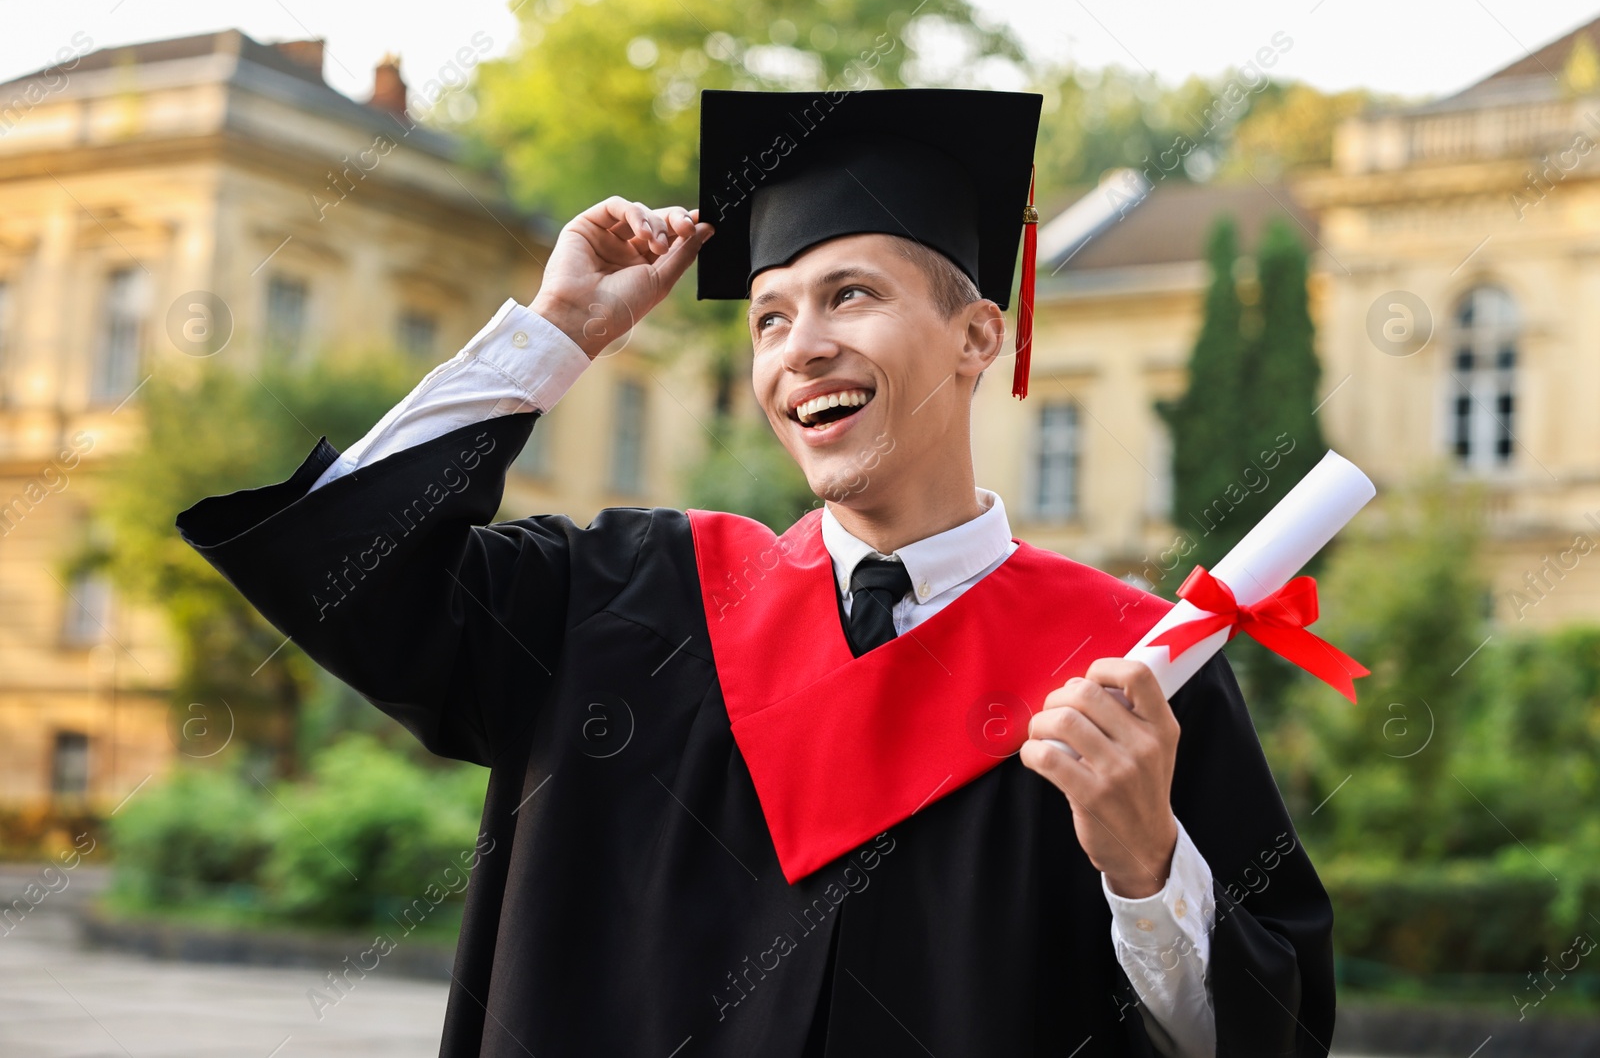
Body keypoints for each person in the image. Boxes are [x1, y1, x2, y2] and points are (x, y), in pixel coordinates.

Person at [176, 88, 1334, 1057]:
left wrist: (1144, 866)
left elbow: (1254, 1037)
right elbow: (339, 563)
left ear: (979, 337)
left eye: (851, 296)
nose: (802, 346)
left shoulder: (1134, 673)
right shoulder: (618, 601)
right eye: (770, 317)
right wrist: (554, 333)